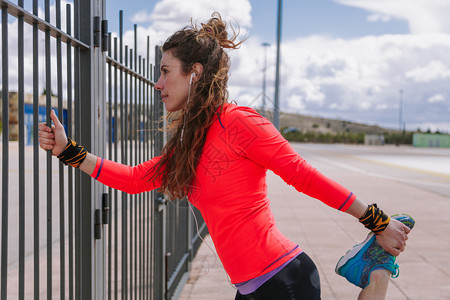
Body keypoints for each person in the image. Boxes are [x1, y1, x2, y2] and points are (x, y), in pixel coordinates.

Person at [39, 12, 413, 300]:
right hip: (250, 287)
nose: (157, 83)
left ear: (195, 73)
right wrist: (69, 151)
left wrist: (376, 220)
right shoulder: (190, 141)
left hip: (284, 279)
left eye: (165, 72)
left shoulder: (240, 123)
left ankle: (377, 268)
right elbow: (136, 180)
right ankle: (376, 270)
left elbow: (301, 174)